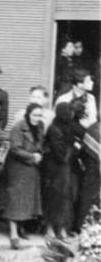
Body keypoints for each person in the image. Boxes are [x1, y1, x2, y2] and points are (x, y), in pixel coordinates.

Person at [1, 102, 44, 248]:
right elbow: (15, 149)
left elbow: (40, 144)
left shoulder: (40, 127)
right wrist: (32, 157)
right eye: (34, 115)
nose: (37, 118)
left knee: (26, 201)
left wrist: (39, 155)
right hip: (17, 167)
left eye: (39, 115)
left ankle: (21, 228)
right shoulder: (18, 127)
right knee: (15, 200)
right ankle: (13, 233)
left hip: (31, 168)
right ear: (28, 114)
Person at [41, 101, 77, 239]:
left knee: (64, 198)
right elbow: (61, 154)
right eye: (69, 111)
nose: (71, 114)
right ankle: (49, 228)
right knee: (53, 197)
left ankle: (61, 228)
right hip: (54, 168)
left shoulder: (68, 127)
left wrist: (71, 148)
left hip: (64, 169)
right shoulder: (54, 129)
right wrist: (72, 148)